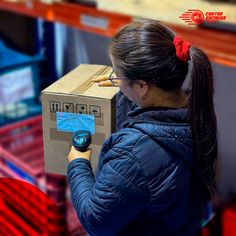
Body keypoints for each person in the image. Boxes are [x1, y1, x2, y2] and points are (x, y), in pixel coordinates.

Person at [67, 20, 218, 236]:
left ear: (142, 86)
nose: (116, 81)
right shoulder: (196, 113)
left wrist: (77, 163)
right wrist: (126, 87)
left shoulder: (131, 155)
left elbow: (96, 220)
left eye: (117, 76)